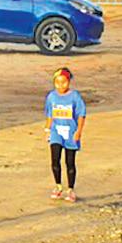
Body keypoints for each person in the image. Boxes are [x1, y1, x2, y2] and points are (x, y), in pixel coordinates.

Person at [44, 68, 85, 203]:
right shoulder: (51, 97)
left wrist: (79, 132)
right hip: (56, 132)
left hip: (70, 133)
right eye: (57, 82)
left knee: (70, 162)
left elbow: (81, 115)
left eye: (64, 82)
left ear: (69, 82)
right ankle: (58, 186)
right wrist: (47, 130)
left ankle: (71, 189)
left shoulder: (75, 97)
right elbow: (49, 114)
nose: (61, 85)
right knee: (55, 160)